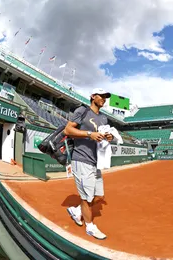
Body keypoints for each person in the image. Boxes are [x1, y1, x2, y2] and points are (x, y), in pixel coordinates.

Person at [64, 88, 114, 240]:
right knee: (87, 198)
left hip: (95, 161)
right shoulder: (82, 111)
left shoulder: (104, 119)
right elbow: (68, 130)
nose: (104, 99)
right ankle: (90, 227)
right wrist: (88, 134)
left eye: (106, 97)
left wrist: (108, 137)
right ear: (93, 97)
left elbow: (102, 136)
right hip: (81, 159)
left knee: (99, 196)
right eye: (102, 96)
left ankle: (77, 211)